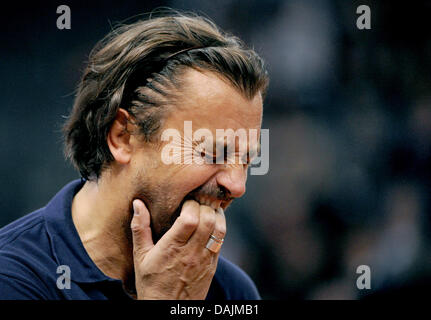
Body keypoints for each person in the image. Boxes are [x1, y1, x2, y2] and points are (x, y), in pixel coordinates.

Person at [0, 12, 269, 299]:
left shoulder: (229, 290)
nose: (238, 185)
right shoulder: (14, 279)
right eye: (213, 153)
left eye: (246, 161)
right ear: (123, 137)